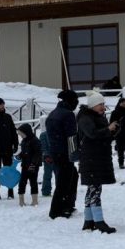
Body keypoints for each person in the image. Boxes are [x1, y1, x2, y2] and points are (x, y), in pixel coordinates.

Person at [77, 92, 119, 233]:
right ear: (93, 105)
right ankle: (99, 222)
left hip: (96, 158)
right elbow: (92, 134)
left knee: (92, 189)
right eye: (100, 104)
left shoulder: (95, 117)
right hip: (91, 159)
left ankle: (89, 221)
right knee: (95, 189)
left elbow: (101, 136)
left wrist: (113, 131)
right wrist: (108, 129)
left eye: (103, 104)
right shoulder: (86, 117)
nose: (103, 107)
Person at [46, 90, 81, 220]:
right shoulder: (68, 115)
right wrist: (75, 155)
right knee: (64, 182)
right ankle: (57, 210)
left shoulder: (53, 113)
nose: (77, 103)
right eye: (75, 100)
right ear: (70, 101)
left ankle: (66, 205)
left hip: (56, 152)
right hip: (65, 153)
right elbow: (71, 137)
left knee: (70, 177)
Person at [16, 123, 42, 206]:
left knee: (33, 182)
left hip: (33, 165)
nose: (20, 136)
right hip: (24, 165)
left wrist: (33, 164)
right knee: (22, 182)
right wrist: (20, 156)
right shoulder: (24, 141)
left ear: (26, 132)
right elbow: (24, 152)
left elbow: (38, 154)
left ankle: (35, 201)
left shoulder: (35, 141)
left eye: (21, 134)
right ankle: (21, 201)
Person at [38, 127, 55, 197]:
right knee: (48, 175)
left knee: (49, 175)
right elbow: (42, 147)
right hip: (50, 158)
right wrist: (46, 156)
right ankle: (46, 191)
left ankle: (46, 191)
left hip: (55, 157)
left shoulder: (44, 134)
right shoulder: (44, 135)